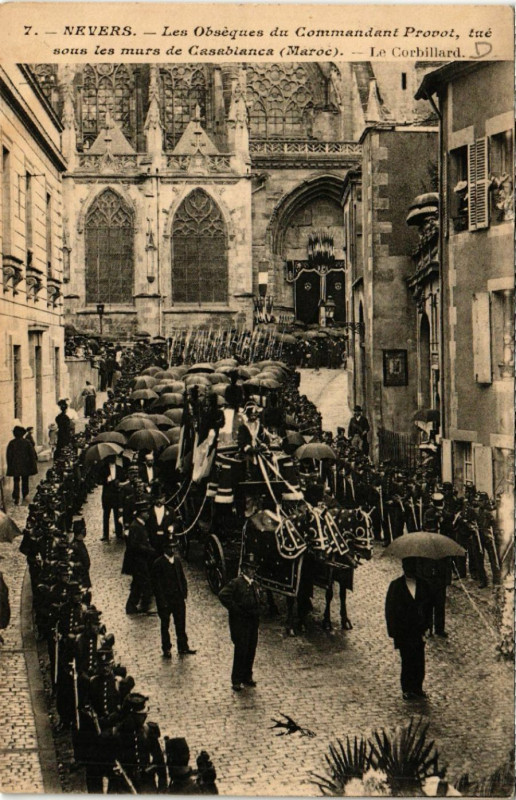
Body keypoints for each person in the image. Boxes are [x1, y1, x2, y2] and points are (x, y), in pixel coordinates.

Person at [385, 557, 432, 701]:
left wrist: (428, 626)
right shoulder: (396, 586)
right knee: (407, 660)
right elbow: (390, 610)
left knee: (419, 660)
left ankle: (418, 687)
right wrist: (393, 632)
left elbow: (428, 607)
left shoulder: (423, 585)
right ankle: (407, 688)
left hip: (418, 629)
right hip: (403, 631)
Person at [218, 558, 260, 691]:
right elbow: (222, 595)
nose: (253, 571)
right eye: (251, 569)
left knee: (251, 650)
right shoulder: (236, 583)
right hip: (241, 624)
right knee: (241, 651)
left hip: (252, 623)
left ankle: (247, 676)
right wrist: (235, 609)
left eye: (254, 569)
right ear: (245, 570)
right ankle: (236, 680)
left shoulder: (255, 584)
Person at [151, 536, 196, 658]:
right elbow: (156, 585)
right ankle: (166, 648)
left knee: (181, 623)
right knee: (165, 625)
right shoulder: (158, 564)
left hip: (178, 598)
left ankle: (183, 646)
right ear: (164, 549)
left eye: (174, 547)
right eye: (170, 547)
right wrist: (161, 601)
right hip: (165, 600)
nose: (172, 550)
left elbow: (182, 577)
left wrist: (184, 592)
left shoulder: (177, 561)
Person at [6, 425, 38, 505]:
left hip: (15, 465)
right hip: (25, 465)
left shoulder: (12, 443)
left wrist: (10, 465)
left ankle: (16, 496)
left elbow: (9, 456)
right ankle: (25, 494)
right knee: (25, 479)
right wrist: (33, 465)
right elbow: (32, 455)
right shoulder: (27, 442)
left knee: (16, 480)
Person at [98, 455, 124, 541]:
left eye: (114, 458)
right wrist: (107, 480)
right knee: (106, 515)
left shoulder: (119, 468)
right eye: (112, 458)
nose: (113, 459)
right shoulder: (103, 469)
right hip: (107, 496)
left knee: (117, 514)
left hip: (116, 495)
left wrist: (119, 482)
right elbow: (99, 480)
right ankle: (105, 534)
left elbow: (123, 479)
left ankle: (119, 532)